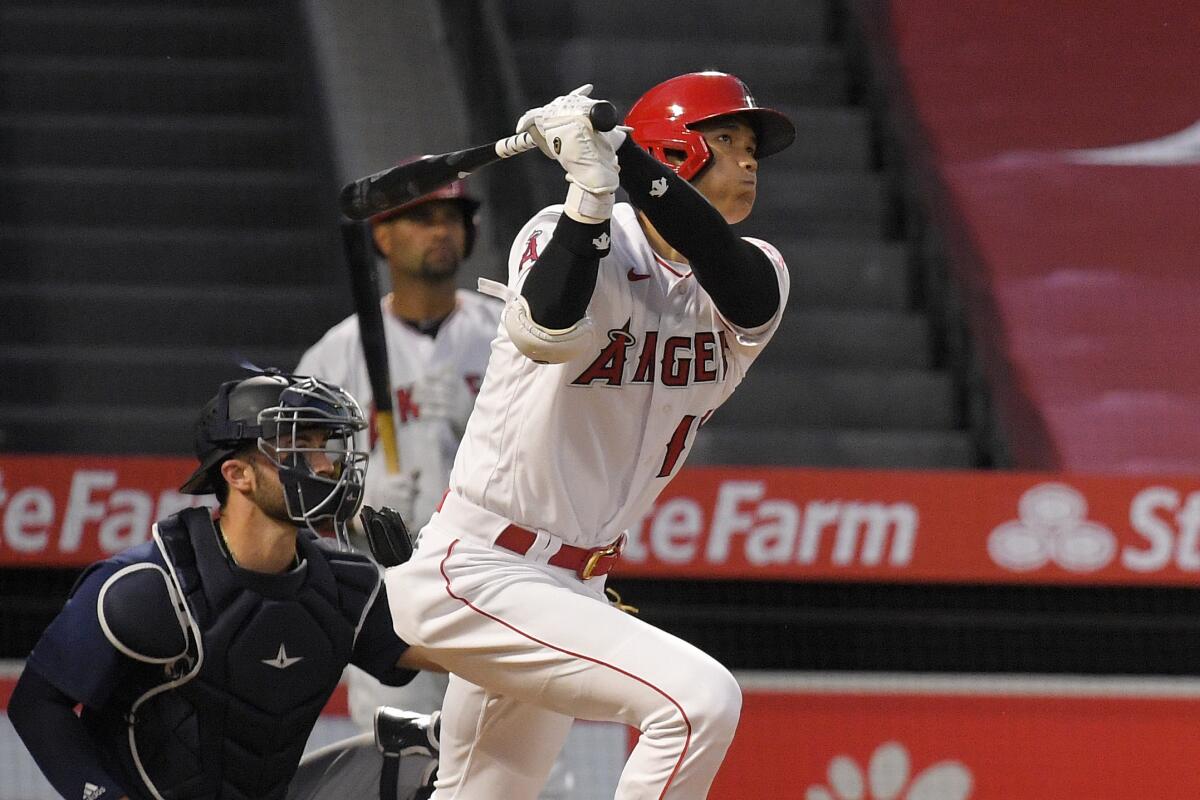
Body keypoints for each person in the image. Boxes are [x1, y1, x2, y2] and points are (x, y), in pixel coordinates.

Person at [383, 70, 794, 799]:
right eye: (726, 139)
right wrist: (594, 189)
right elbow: (545, 331)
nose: (750, 158)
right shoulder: (564, 229)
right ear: (677, 153)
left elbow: (738, 283)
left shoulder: (758, 270)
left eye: (753, 145)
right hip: (480, 566)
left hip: (575, 588)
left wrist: (622, 157)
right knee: (699, 703)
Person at [8, 372, 442, 800]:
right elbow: (37, 702)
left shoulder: (345, 581)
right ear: (237, 474)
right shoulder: (151, 583)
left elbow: (446, 654)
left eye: (324, 446)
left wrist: (417, 578)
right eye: (299, 448)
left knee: (428, 753)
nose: (327, 465)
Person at [296, 177, 500, 730]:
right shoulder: (337, 352)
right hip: (386, 588)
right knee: (402, 762)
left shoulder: (507, 335)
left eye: (451, 218)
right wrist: (353, 504)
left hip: (496, 577)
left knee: (516, 769)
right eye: (422, 217)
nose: (440, 230)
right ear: (382, 236)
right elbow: (297, 464)